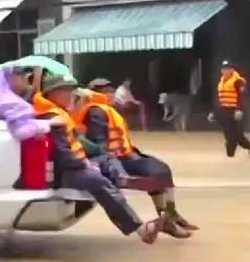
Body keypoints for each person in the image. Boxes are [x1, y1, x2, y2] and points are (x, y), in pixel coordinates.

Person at [34, 76, 164, 244]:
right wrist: (85, 164)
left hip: (75, 164)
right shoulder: (52, 117)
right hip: (67, 170)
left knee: (105, 159)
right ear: (52, 94)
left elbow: (78, 142)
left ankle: (121, 177)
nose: (70, 95)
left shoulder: (60, 113)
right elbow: (62, 154)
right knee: (100, 182)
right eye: (65, 91)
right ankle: (141, 229)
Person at [77, 79, 195, 236]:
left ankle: (169, 214)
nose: (111, 94)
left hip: (126, 155)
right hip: (116, 159)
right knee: (154, 173)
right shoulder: (95, 111)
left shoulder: (108, 109)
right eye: (106, 91)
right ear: (96, 93)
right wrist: (110, 156)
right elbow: (99, 142)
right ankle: (166, 217)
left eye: (111, 90)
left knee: (160, 169)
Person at [0, 66, 52, 140]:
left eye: (23, 75)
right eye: (17, 75)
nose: (23, 78)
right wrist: (46, 124)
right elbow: (21, 131)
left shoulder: (27, 95)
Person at [216, 60, 250, 158]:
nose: (225, 71)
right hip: (225, 111)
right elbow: (220, 98)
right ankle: (231, 154)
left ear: (232, 70)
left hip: (236, 111)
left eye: (227, 69)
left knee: (237, 135)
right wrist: (214, 112)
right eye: (223, 69)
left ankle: (249, 148)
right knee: (229, 136)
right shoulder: (221, 81)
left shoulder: (238, 81)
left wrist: (239, 109)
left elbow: (242, 97)